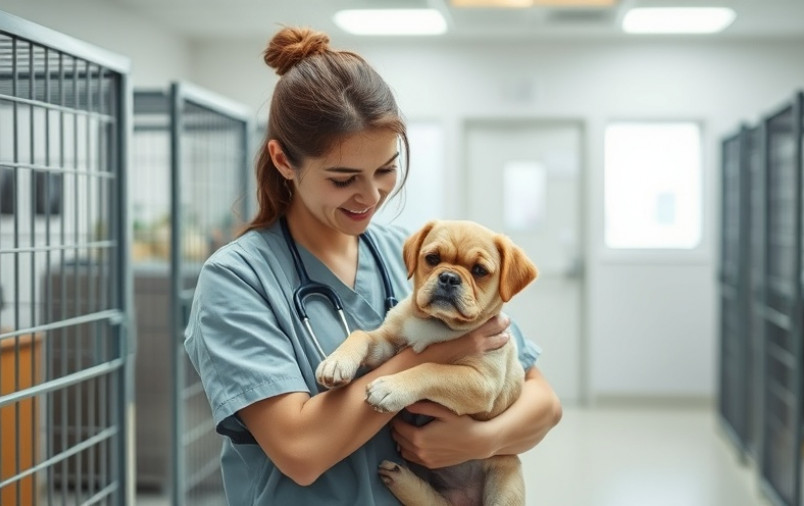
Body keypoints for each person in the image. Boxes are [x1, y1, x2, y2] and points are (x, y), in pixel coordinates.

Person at [184, 25, 562, 505]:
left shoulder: (407, 249)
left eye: (386, 169)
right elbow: (300, 451)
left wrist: (481, 441)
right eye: (343, 179)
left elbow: (543, 403)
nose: (371, 196)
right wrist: (436, 354)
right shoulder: (238, 280)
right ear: (283, 160)